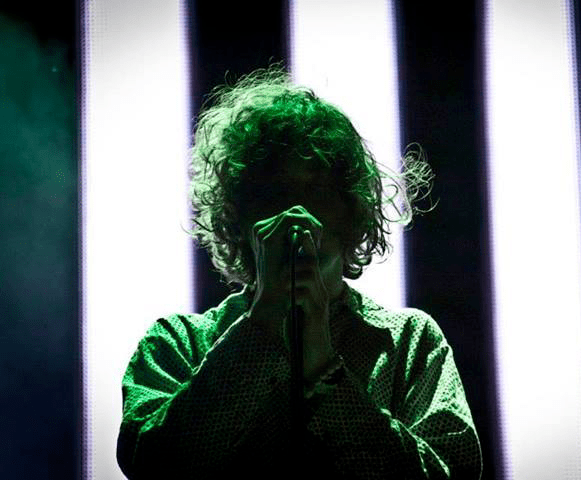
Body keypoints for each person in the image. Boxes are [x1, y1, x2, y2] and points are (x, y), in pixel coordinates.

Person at [116, 66, 482, 479]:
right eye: (272, 194)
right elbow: (151, 464)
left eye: (315, 192)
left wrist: (325, 369)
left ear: (353, 212)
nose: (294, 214)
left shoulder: (410, 341)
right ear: (237, 221)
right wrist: (261, 325)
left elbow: (453, 472)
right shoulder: (178, 342)